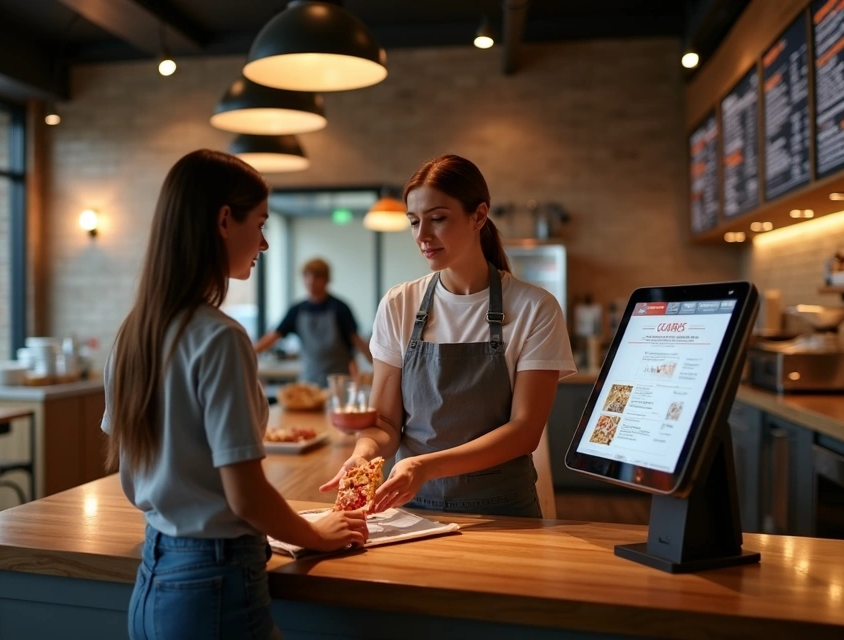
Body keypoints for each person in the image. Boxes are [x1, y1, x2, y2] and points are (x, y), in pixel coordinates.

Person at [101, 149, 368, 640]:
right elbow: (245, 495)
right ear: (225, 220)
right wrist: (315, 534)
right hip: (214, 581)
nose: (264, 242)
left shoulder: (132, 334)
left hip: (153, 575)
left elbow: (128, 471)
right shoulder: (220, 338)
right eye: (261, 223)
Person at [321, 154, 576, 518]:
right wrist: (363, 454)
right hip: (410, 508)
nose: (422, 236)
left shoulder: (535, 307)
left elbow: (525, 431)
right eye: (414, 222)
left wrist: (424, 466)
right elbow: (386, 425)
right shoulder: (399, 304)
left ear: (479, 216)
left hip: (503, 511)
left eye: (437, 219)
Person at [253, 258, 373, 387]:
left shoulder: (340, 308)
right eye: (307, 277)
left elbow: (356, 340)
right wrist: (249, 352)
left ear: (326, 280)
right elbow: (274, 336)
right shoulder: (297, 310)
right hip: (309, 380)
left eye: (317, 277)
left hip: (339, 381)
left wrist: (375, 364)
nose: (311, 281)